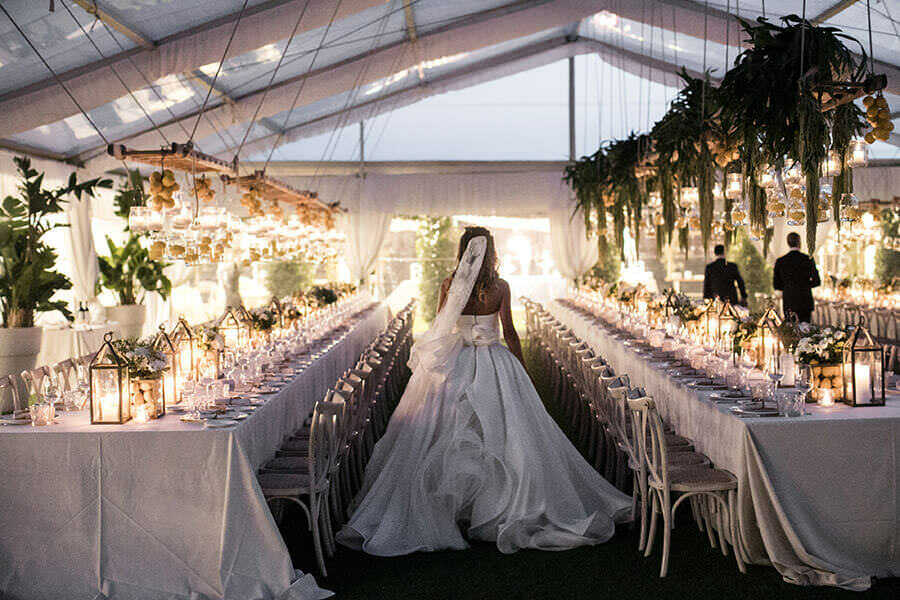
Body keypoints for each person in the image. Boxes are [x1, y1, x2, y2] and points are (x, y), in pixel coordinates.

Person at [337, 227, 631, 556]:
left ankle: (454, 509)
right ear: (491, 251)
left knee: (446, 433)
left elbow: (440, 326)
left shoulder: (450, 284)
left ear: (463, 251)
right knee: (508, 432)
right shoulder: (500, 286)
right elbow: (510, 332)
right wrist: (522, 367)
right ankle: (500, 507)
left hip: (458, 359)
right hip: (495, 360)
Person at [773, 232, 821, 323]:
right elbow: (817, 281)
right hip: (805, 300)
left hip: (789, 300)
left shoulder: (780, 261)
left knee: (791, 331)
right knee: (806, 329)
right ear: (799, 242)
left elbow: (776, 285)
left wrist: (789, 286)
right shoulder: (808, 259)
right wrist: (804, 286)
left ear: (788, 243)